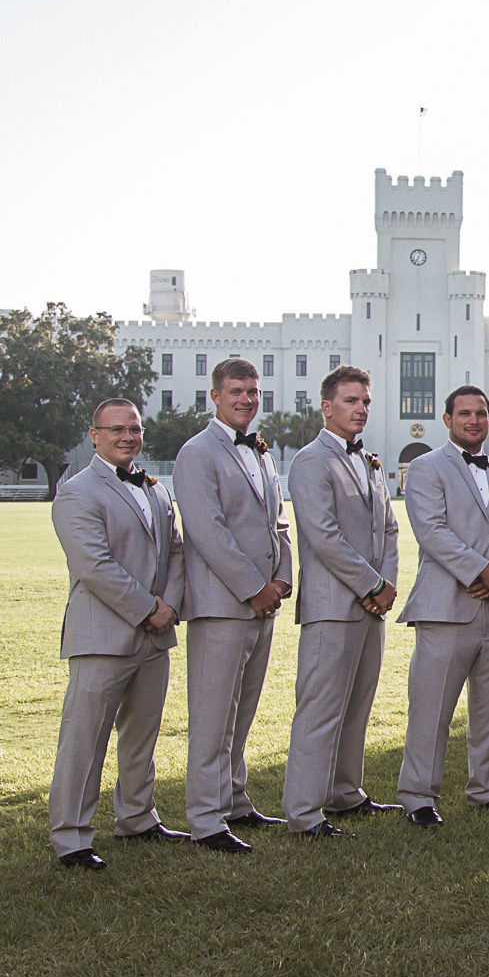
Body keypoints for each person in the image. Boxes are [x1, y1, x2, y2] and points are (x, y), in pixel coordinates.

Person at [45, 399, 185, 869]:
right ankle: (72, 837)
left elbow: (177, 553)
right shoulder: (77, 492)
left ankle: (138, 818)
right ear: (94, 435)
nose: (128, 437)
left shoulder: (155, 489)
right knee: (84, 740)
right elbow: (94, 565)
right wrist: (148, 609)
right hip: (101, 636)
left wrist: (169, 607)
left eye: (135, 429)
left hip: (154, 637)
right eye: (117, 429)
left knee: (141, 737)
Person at [172, 357, 292, 853]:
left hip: (264, 602)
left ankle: (236, 801)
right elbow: (208, 531)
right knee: (212, 716)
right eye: (236, 391)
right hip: (222, 605)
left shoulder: (261, 454)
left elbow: (277, 523)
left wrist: (282, 579)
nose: (246, 399)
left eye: (253, 391)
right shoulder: (197, 452)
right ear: (215, 397)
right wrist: (253, 587)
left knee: (242, 713)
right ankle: (205, 819)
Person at [396, 385, 489, 825]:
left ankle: (488, 789)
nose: (474, 420)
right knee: (431, 708)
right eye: (465, 413)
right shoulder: (426, 467)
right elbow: (431, 531)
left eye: (481, 413)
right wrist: (480, 570)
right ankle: (418, 797)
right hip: (445, 608)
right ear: (448, 419)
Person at [282, 365, 400, 838]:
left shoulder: (368, 461)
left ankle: (345, 793)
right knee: (320, 709)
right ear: (327, 407)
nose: (361, 409)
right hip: (334, 606)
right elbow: (324, 537)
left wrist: (386, 582)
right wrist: (372, 586)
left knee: (357, 705)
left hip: (371, 605)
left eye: (366, 401)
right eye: (351, 401)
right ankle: (305, 813)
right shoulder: (312, 461)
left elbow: (390, 529)